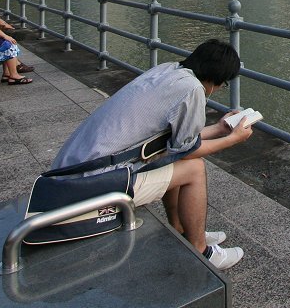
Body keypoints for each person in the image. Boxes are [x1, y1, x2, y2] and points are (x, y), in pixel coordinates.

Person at [51, 40, 253, 270]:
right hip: (90, 185)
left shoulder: (168, 70)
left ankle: (183, 230)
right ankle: (200, 251)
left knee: (171, 156)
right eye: (223, 83)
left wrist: (219, 129)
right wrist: (232, 139)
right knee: (194, 168)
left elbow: (177, 142)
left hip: (70, 172)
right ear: (217, 78)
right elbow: (189, 151)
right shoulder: (193, 89)